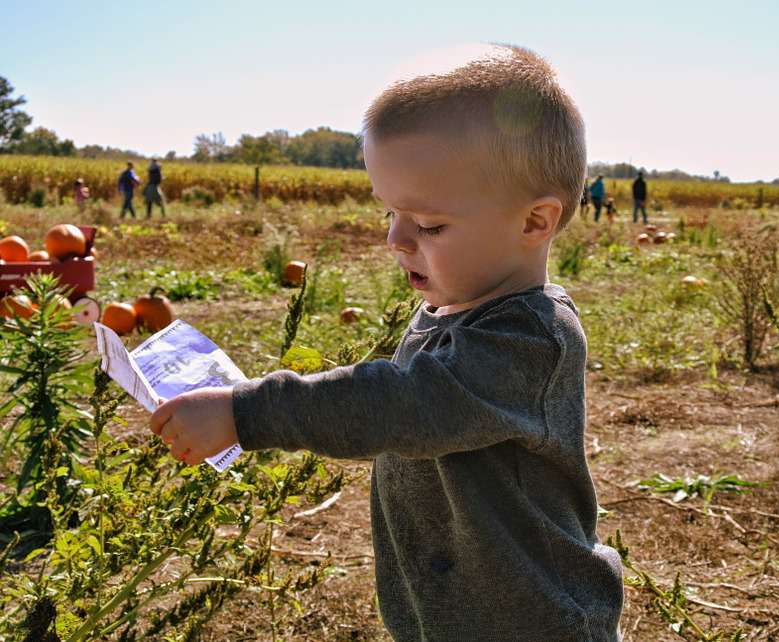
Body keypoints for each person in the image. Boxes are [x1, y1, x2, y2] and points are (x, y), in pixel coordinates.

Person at [149, 45, 624, 642]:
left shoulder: (531, 337)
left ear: (534, 222)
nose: (397, 239)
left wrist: (248, 411)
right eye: (390, 213)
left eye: (428, 225)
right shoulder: (446, 312)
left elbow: (405, 405)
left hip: (537, 620)